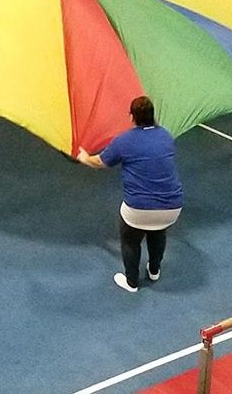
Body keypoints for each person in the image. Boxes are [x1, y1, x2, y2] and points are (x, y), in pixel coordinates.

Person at [76, 96, 184, 294]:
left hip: (138, 209)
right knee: (158, 230)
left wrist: (84, 158)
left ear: (131, 117)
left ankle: (131, 282)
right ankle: (154, 270)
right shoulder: (166, 136)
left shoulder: (124, 141)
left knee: (130, 239)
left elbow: (99, 162)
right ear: (154, 115)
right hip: (172, 207)